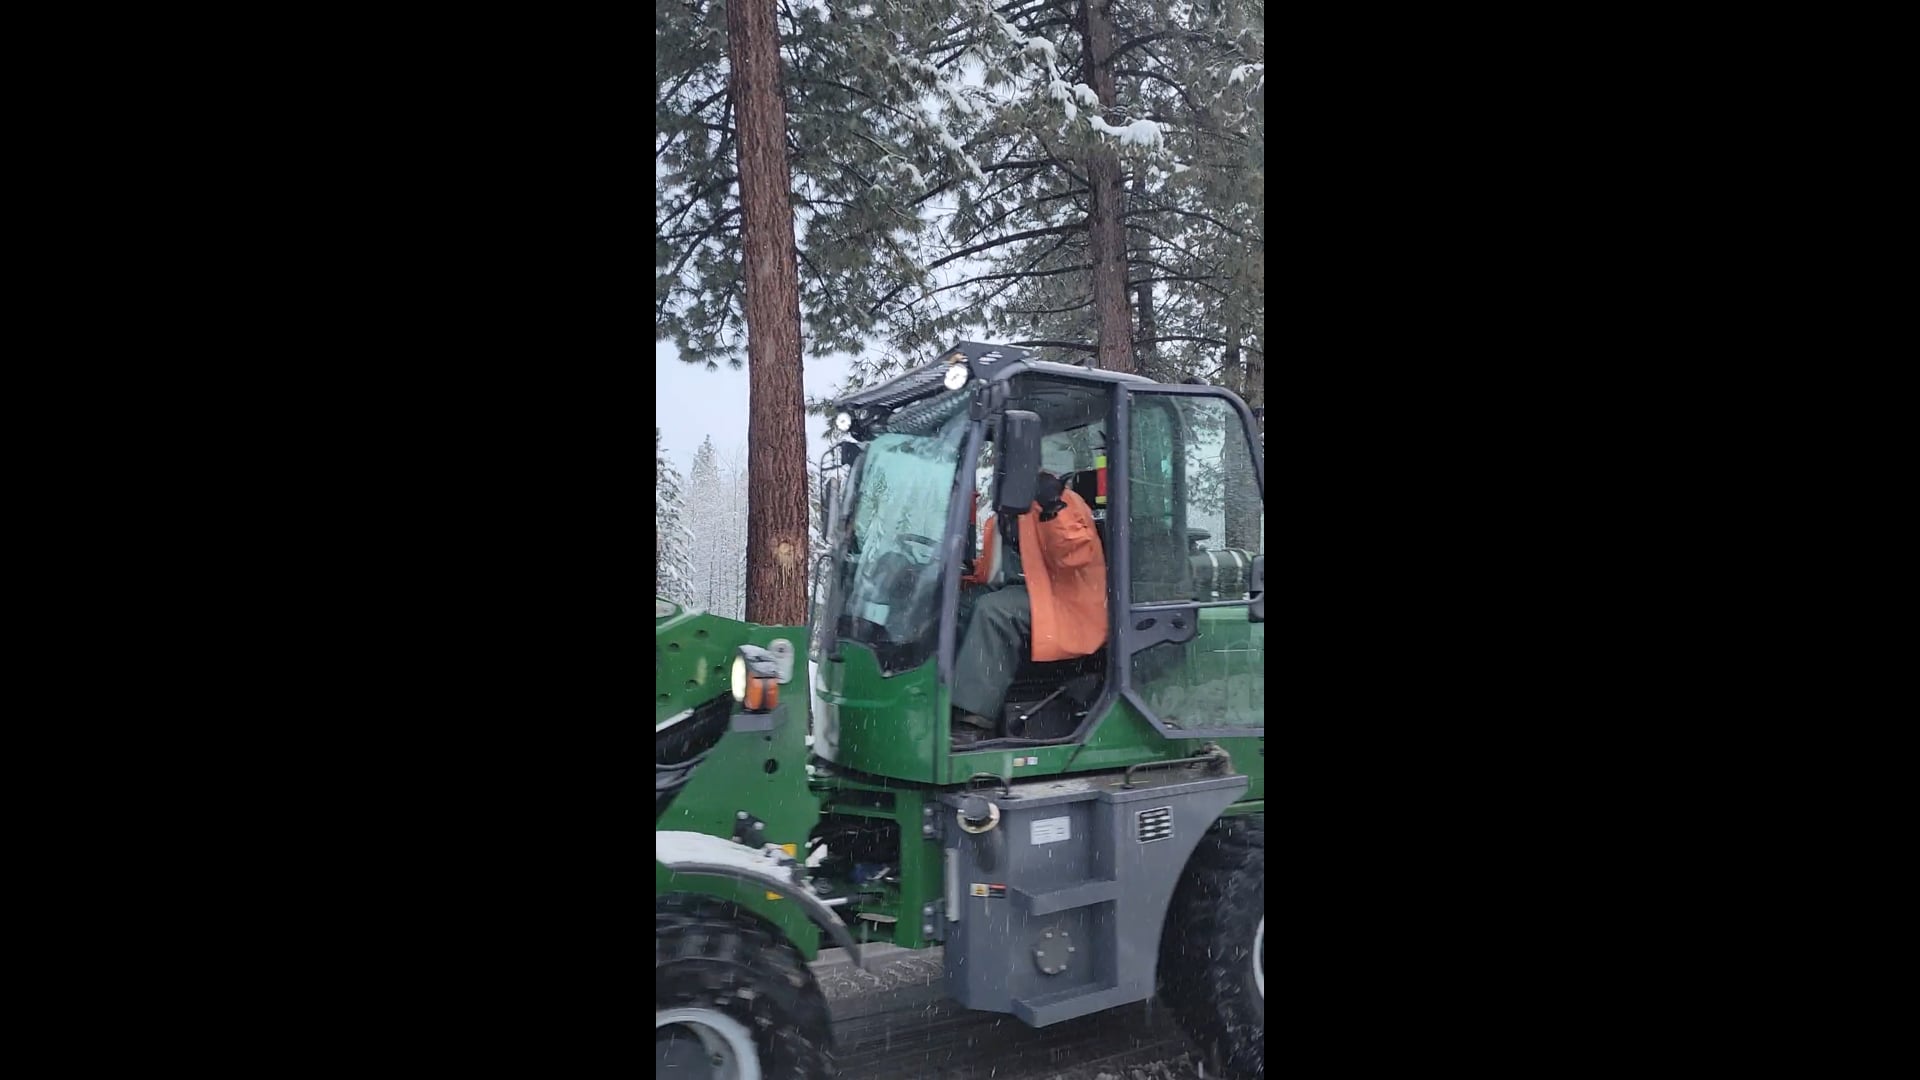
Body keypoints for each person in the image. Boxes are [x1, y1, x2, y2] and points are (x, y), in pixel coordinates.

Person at [951, 469, 1107, 746]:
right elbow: (996, 571)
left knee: (993, 611)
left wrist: (1052, 507)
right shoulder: (1003, 517)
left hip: (1066, 602)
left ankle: (973, 721)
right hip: (1027, 593)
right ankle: (946, 698)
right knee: (959, 605)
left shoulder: (1064, 502)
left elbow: (1074, 556)